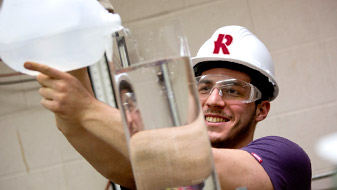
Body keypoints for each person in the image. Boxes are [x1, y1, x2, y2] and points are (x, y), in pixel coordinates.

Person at [24, 25, 312, 189]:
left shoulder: (284, 159)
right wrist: (66, 92)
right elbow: (89, 136)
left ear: (261, 109)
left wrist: (87, 110)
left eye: (232, 90)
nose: (214, 100)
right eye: (204, 87)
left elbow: (201, 166)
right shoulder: (165, 169)